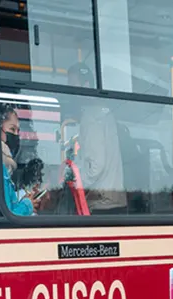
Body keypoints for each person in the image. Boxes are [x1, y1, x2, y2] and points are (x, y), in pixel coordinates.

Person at [67, 62, 126, 214]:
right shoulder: (104, 113)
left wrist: (77, 182)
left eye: (73, 85)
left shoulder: (91, 117)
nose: (70, 92)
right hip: (114, 200)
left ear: (86, 85)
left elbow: (96, 166)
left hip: (102, 203)